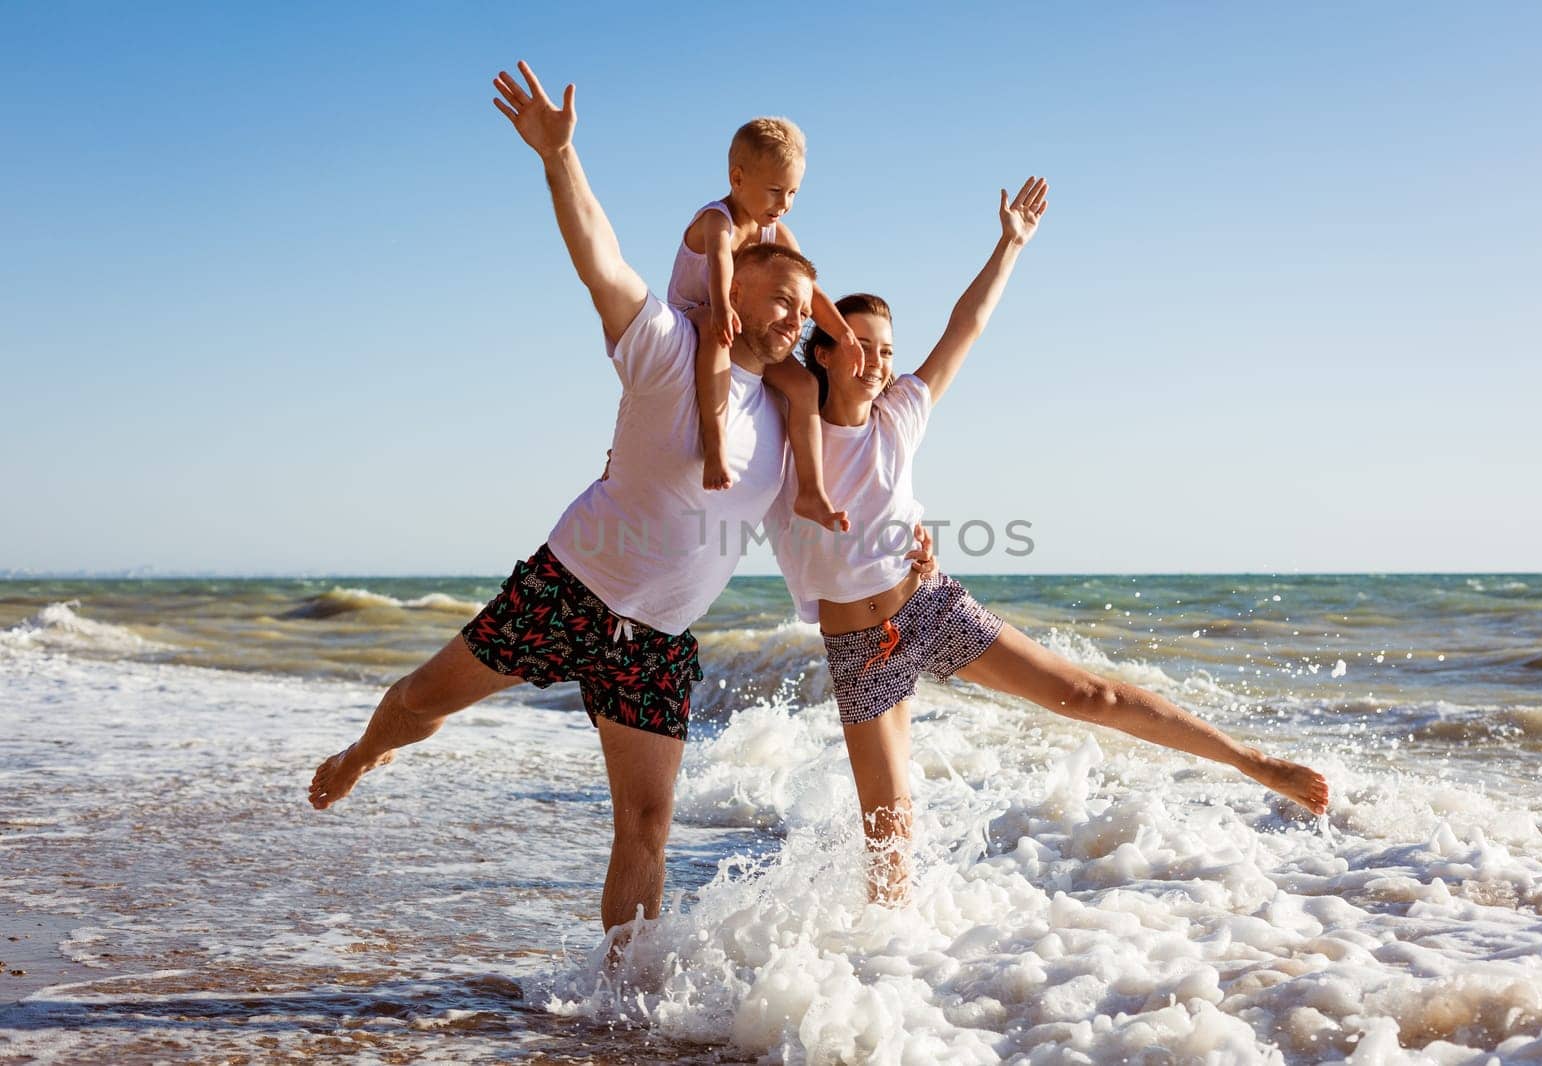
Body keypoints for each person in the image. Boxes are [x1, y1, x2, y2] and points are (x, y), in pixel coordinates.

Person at [305, 62, 938, 941]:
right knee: (420, 702)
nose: (799, 320)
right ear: (736, 290)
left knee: (645, 828)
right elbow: (600, 259)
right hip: (568, 588)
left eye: (807, 311)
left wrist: (915, 551)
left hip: (656, 640)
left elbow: (857, 494)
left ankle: (622, 999)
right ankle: (363, 751)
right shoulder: (668, 350)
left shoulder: (794, 407)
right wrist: (560, 159)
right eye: (784, 302)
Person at [772, 176, 1331, 902]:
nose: (879, 362)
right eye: (861, 347)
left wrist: (1008, 244)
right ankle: (890, 972)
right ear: (822, 351)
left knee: (1086, 694)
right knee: (889, 830)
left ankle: (1249, 760)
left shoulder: (901, 413)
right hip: (859, 647)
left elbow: (963, 327)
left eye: (887, 350)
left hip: (927, 608)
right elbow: (750, 332)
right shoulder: (788, 433)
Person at [672, 117, 859, 532]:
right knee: (711, 330)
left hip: (742, 327)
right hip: (698, 316)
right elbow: (721, 261)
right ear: (738, 179)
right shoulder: (716, 220)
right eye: (776, 190)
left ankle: (812, 492)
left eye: (793, 191)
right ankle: (715, 445)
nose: (786, 202)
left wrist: (843, 332)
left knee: (804, 385)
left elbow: (808, 286)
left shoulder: (776, 232)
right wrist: (721, 307)